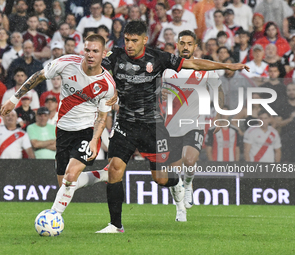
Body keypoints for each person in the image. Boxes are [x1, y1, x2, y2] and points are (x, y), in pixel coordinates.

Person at [95, 21, 248, 233]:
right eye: (127, 40)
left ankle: (177, 184)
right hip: (125, 124)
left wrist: (228, 66)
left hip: (152, 125)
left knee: (161, 178)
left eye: (134, 40)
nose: (129, 44)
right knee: (114, 169)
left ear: (144, 40)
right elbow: (96, 71)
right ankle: (115, 224)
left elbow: (194, 64)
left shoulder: (158, 58)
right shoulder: (115, 56)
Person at [0, 34, 116, 217]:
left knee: (71, 176)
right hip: (63, 130)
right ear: (82, 50)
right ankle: (103, 175)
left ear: (103, 54)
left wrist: (95, 140)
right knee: (66, 183)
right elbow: (38, 76)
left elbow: (102, 117)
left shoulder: (107, 85)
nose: (90, 54)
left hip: (86, 131)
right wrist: (14, 99)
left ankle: (52, 216)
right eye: (87, 50)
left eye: (95, 51)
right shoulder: (67, 63)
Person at [161, 30, 224, 221]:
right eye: (182, 43)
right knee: (172, 172)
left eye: (190, 43)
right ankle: (180, 209)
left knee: (189, 160)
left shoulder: (204, 68)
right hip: (170, 125)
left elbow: (218, 90)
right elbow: (157, 92)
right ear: (177, 45)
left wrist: (220, 114)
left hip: (194, 123)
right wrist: (160, 94)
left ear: (195, 46)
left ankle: (188, 184)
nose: (185, 47)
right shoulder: (167, 69)